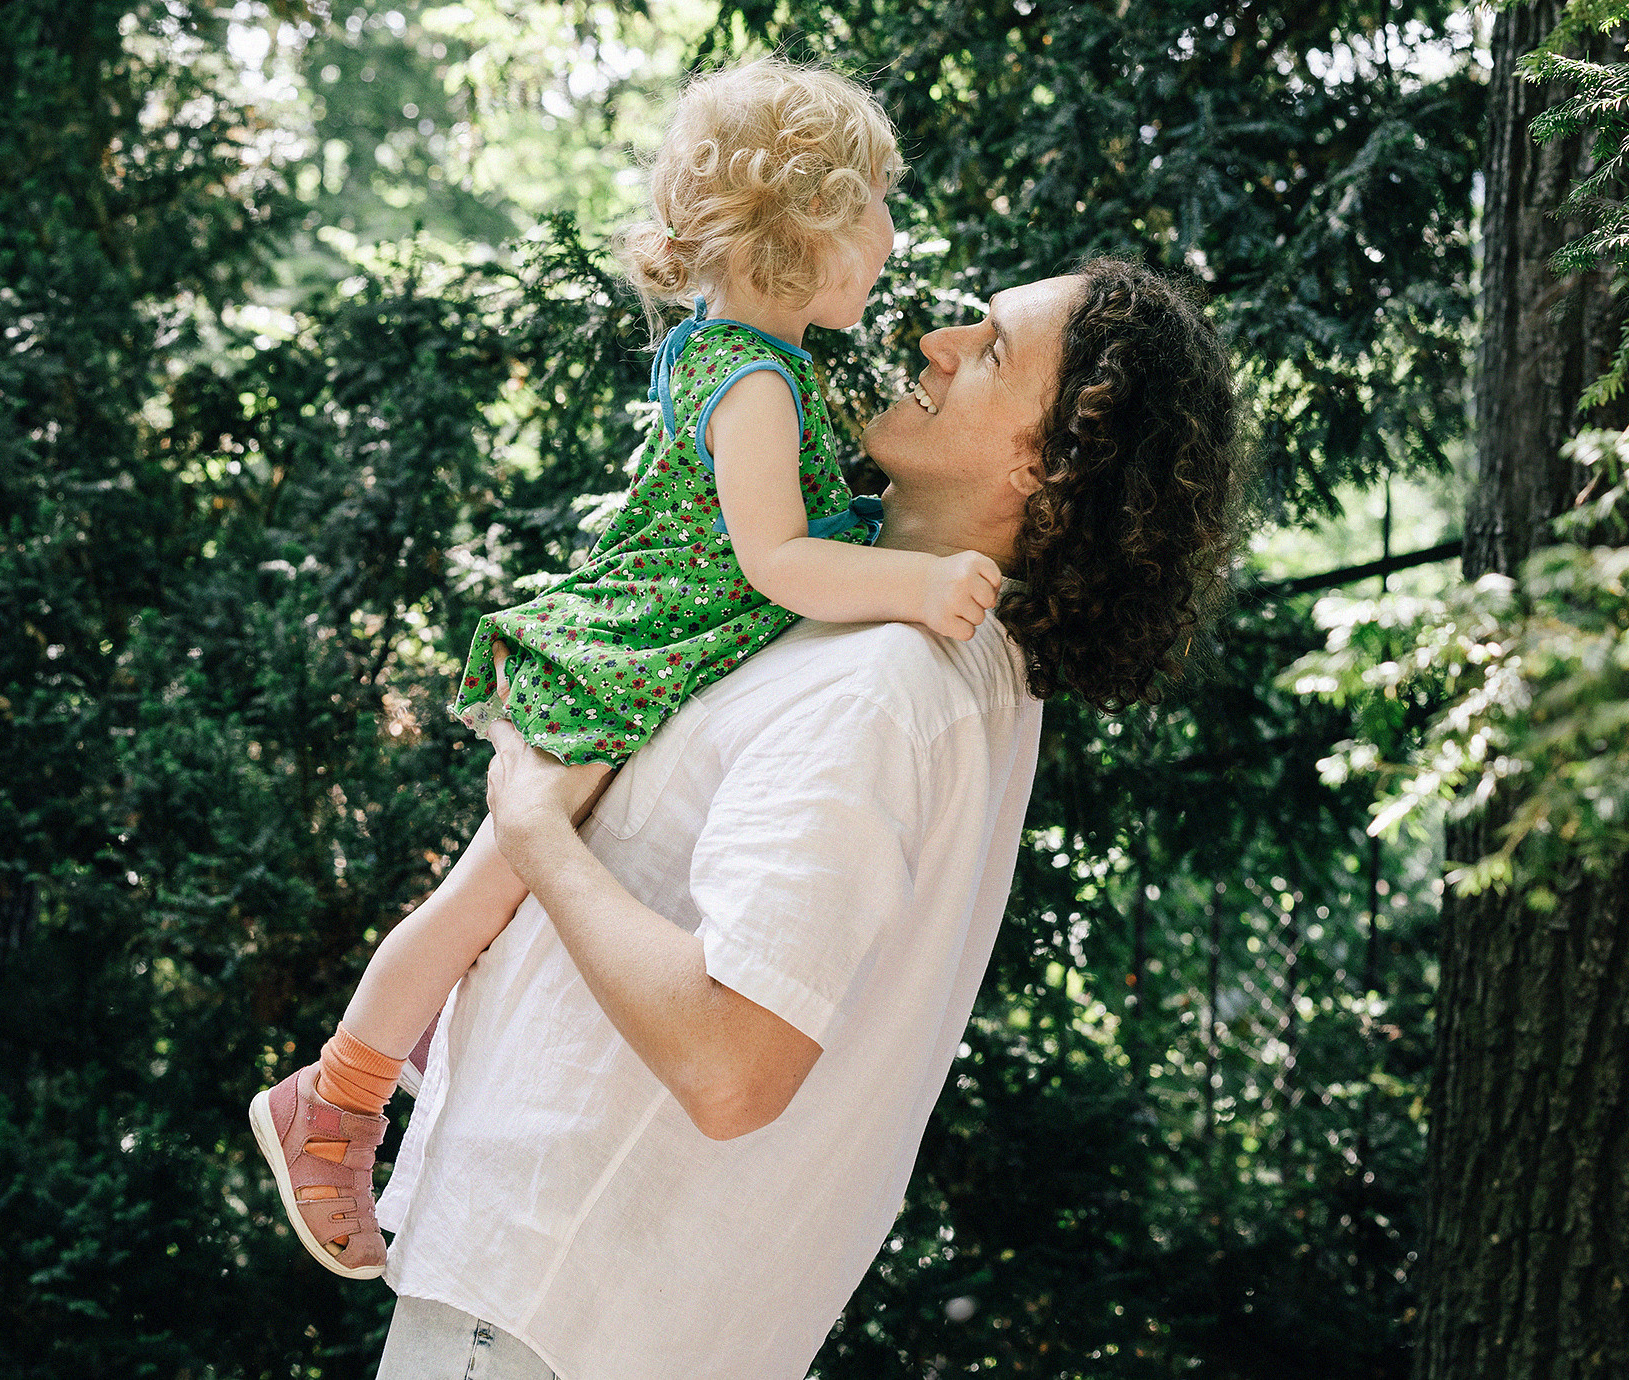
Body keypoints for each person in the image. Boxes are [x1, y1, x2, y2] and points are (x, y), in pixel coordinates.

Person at [366, 257, 1239, 1380]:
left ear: (1046, 461)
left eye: (989, 351)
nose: (936, 341)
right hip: (570, 1308)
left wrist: (536, 828)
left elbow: (733, 1063)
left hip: (551, 1306)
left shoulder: (880, 683)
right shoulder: (918, 651)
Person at [249, 59, 1005, 1281]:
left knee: (495, 909)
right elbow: (772, 561)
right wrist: (914, 582)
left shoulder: (767, 365)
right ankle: (331, 1104)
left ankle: (395, 1075)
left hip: (658, 655)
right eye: (869, 200)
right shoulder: (751, 378)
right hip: (626, 661)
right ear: (796, 223)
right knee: (479, 900)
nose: (888, 232)